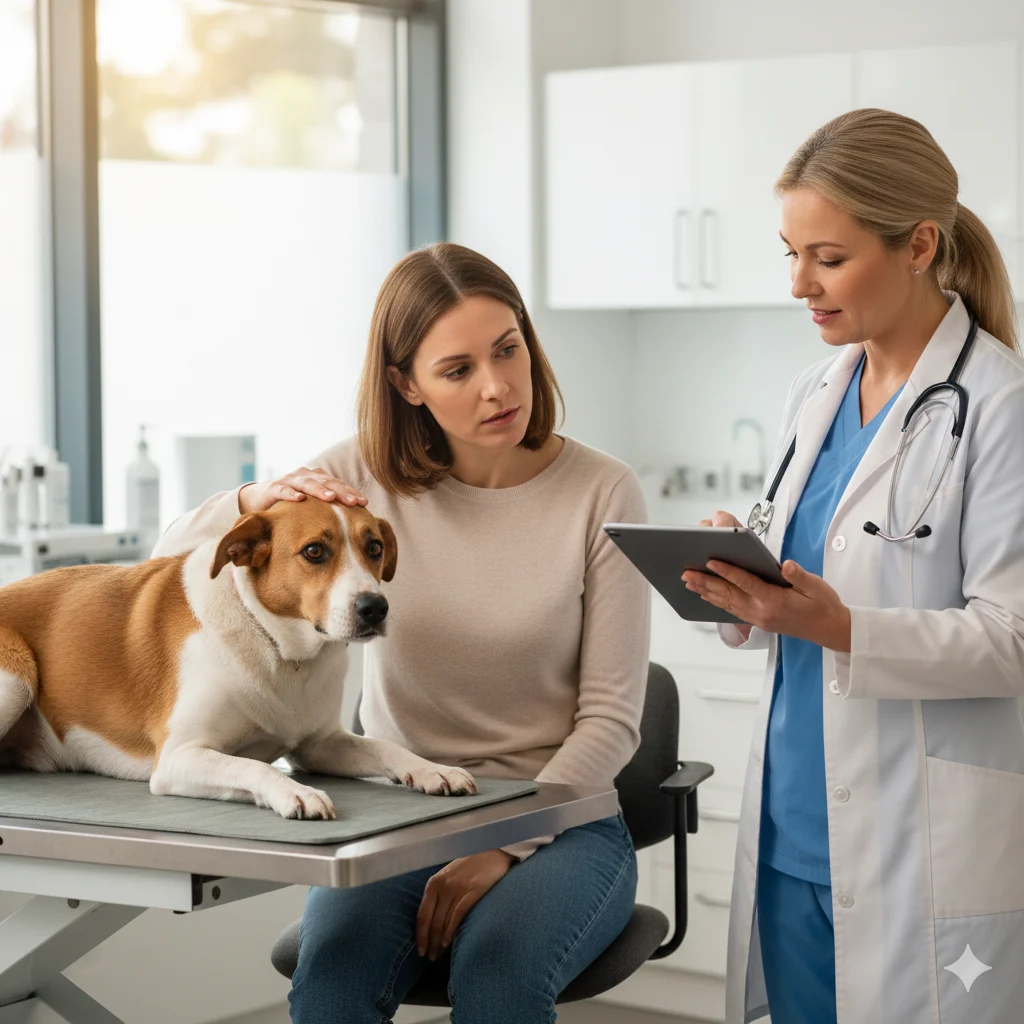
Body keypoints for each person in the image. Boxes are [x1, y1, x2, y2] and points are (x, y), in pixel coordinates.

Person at [154, 242, 650, 1024]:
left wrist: (502, 845)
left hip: (561, 820)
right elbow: (168, 556)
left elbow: (613, 722)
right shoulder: (358, 480)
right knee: (330, 992)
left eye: (508, 349)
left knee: (497, 986)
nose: (497, 387)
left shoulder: (602, 490)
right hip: (397, 814)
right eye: (457, 370)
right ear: (405, 384)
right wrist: (257, 494)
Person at [683, 108, 1024, 1024]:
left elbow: (1012, 641)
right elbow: (793, 591)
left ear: (918, 245)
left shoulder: (1000, 407)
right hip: (795, 830)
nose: (800, 284)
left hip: (920, 840)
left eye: (827, 259)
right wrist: (740, 581)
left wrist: (839, 627)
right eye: (790, 254)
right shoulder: (815, 393)